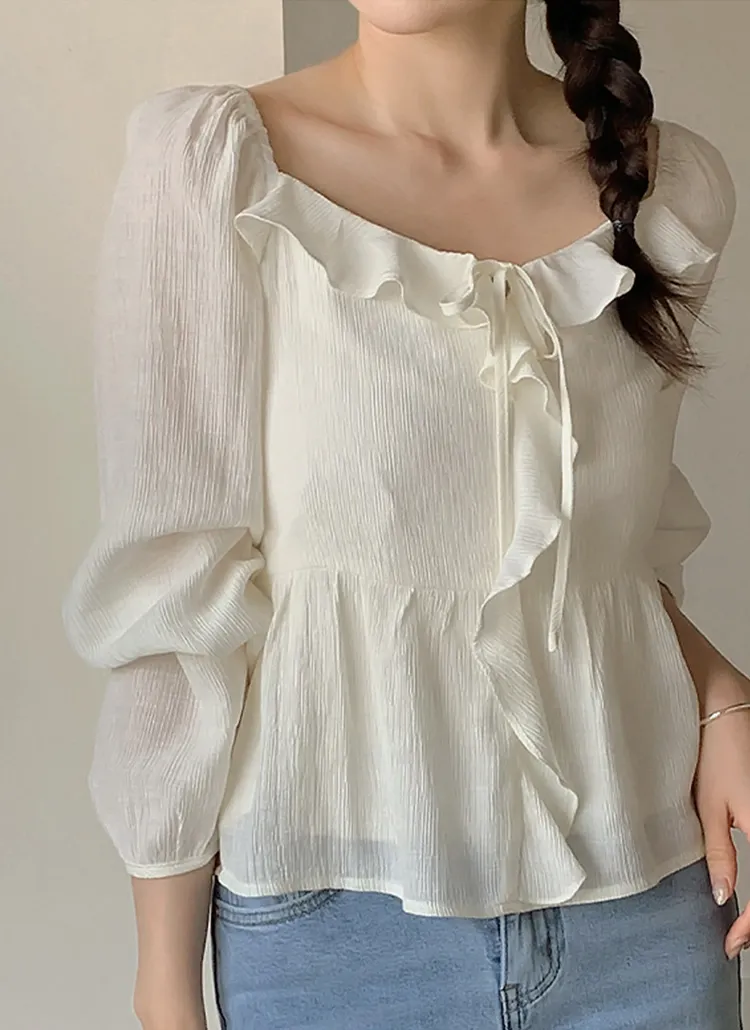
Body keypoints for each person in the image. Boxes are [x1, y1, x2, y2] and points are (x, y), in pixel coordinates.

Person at [63, 1, 750, 1027]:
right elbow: (176, 596)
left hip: (649, 916)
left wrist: (722, 695)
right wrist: (165, 982)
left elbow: (611, 556)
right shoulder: (215, 167)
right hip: (332, 937)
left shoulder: (670, 185)